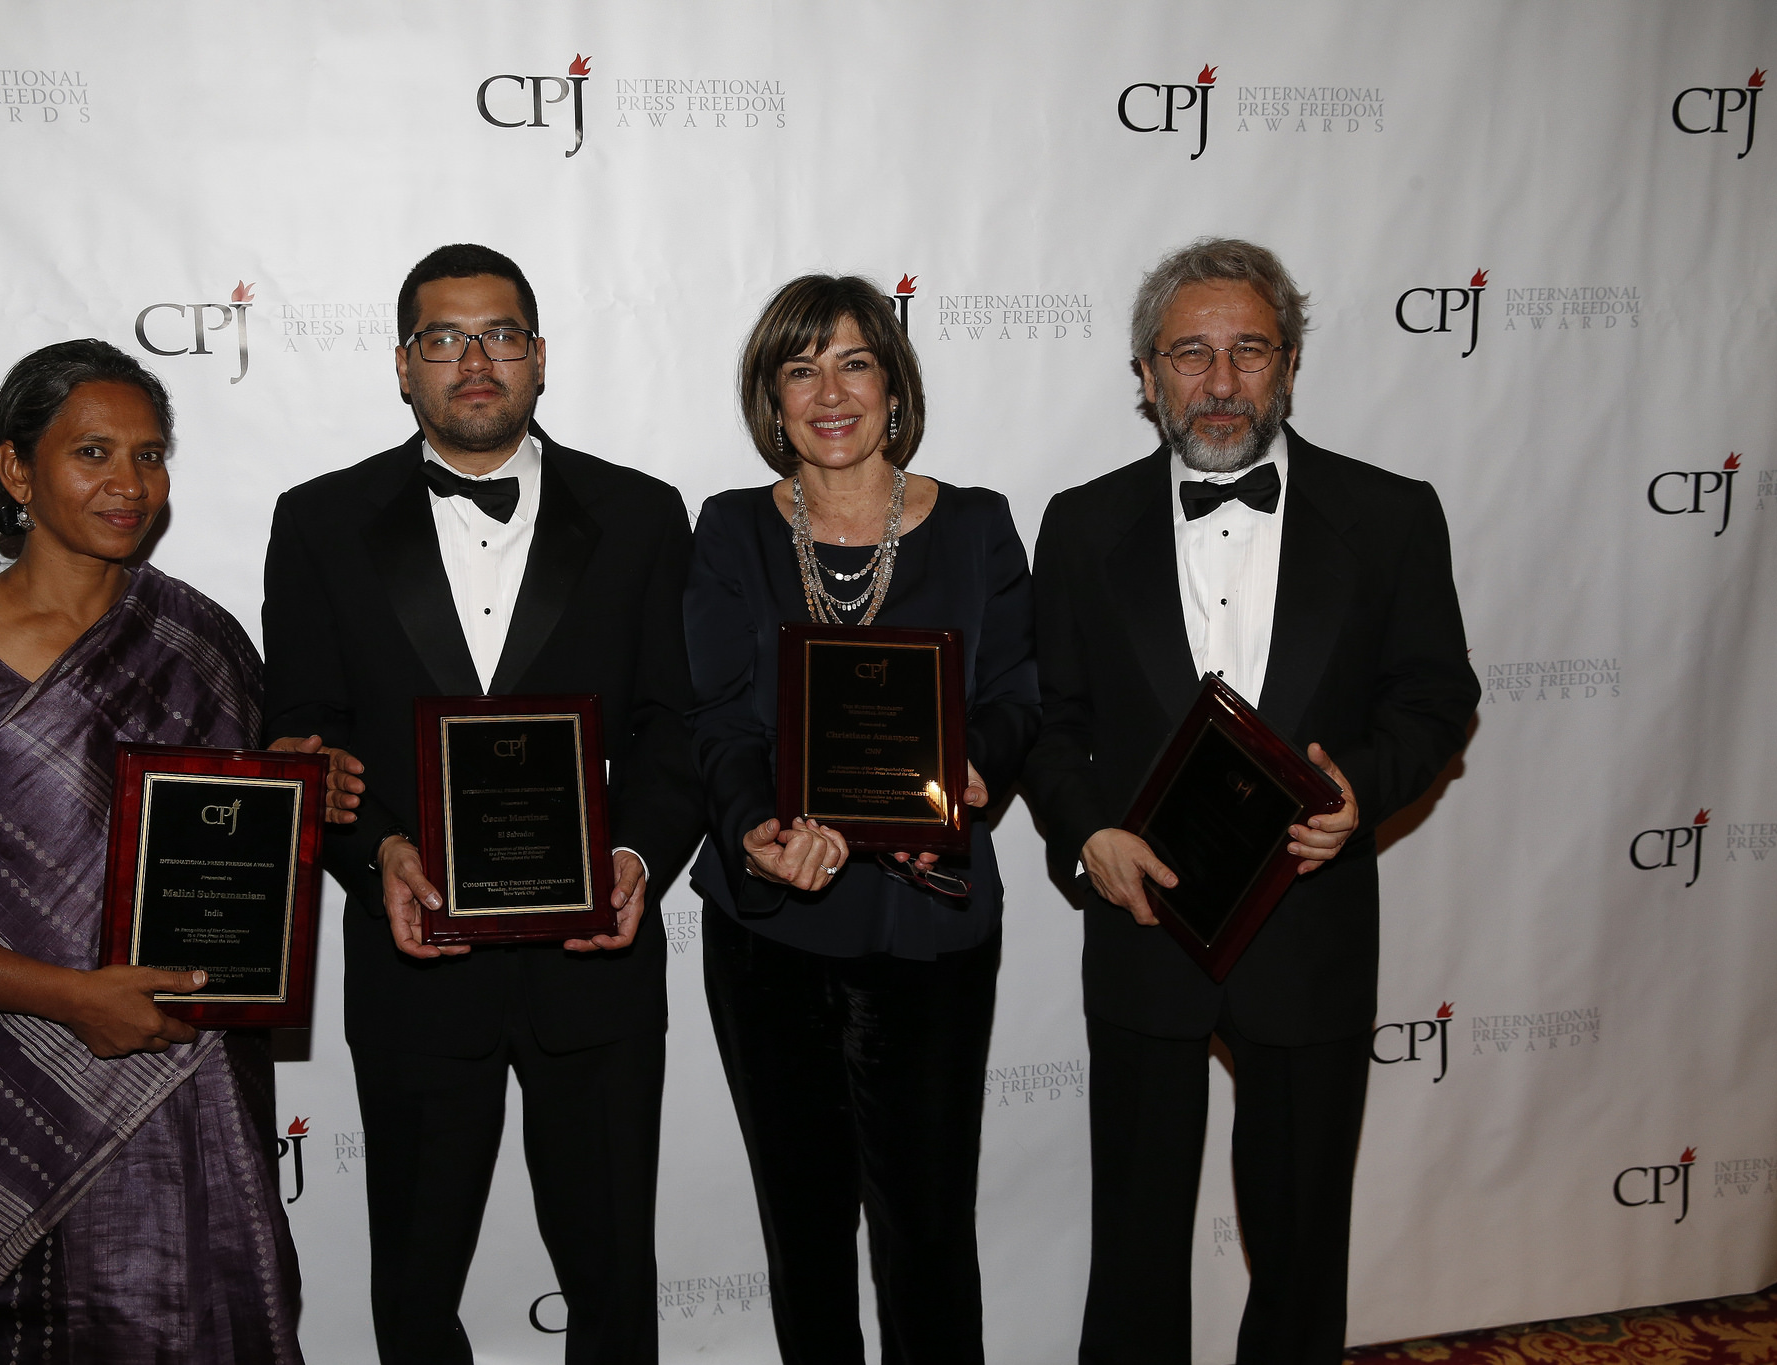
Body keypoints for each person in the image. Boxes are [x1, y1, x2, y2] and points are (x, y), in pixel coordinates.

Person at [0, 339, 359, 1365]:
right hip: (21, 1102)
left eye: (150, 456)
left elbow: (232, 851)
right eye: (93, 452)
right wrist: (74, 997)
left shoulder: (199, 637)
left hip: (199, 1084)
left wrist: (297, 794)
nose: (128, 483)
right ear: (18, 472)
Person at [1025, 238, 1481, 1364]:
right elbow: (1044, 719)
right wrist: (1088, 835)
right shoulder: (1080, 526)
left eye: (1247, 351)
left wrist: (1358, 792)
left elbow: (1434, 696)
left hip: (1308, 931)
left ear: (1287, 365)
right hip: (1142, 929)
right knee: (1131, 1247)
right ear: (1144, 374)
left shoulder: (1390, 516)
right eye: (1189, 353)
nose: (1219, 381)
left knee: (1299, 1245)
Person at [259, 243, 700, 1364]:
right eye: (442, 338)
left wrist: (639, 858)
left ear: (539, 357)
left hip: (593, 964)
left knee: (613, 1280)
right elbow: (301, 732)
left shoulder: (644, 517)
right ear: (402, 366)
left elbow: (676, 724)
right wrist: (377, 853)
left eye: (498, 334)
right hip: (414, 964)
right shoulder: (318, 522)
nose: (473, 360)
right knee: (410, 1288)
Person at [685, 274, 1039, 1364]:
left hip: (927, 931)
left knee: (928, 1229)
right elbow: (716, 715)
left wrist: (978, 768)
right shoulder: (732, 530)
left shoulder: (976, 525)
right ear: (769, 398)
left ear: (892, 384)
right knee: (801, 1229)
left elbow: (1016, 694)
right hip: (771, 930)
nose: (827, 392)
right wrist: (754, 826)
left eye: (852, 362)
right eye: (799, 369)